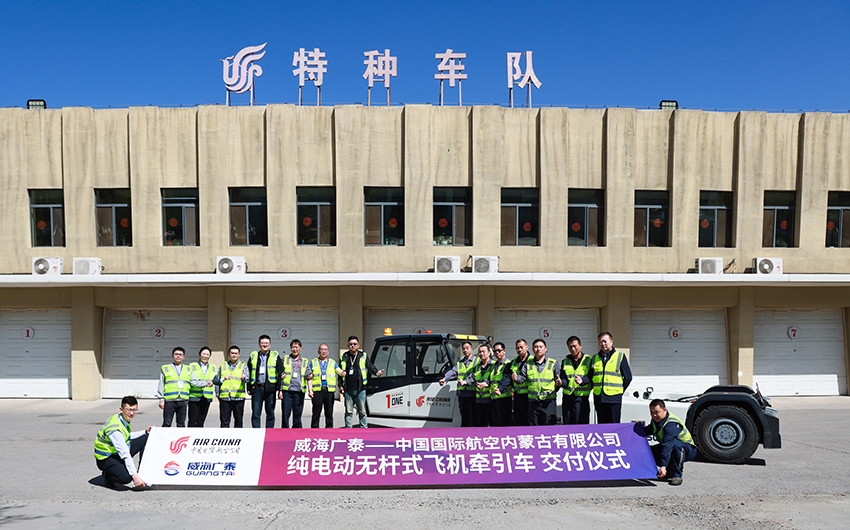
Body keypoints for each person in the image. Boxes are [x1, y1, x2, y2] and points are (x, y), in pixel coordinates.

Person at [94, 396, 153, 489]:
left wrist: (145, 432)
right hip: (105, 457)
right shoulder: (115, 428)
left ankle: (142, 473)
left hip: (116, 452)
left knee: (146, 438)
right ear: (121, 409)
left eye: (134, 410)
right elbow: (124, 453)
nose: (132, 413)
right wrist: (134, 476)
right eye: (129, 410)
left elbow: (126, 436)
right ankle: (108, 476)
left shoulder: (122, 419)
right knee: (126, 478)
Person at [645, 399, 698, 485]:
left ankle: (677, 475)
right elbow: (649, 430)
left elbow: (667, 444)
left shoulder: (671, 424)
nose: (654, 415)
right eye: (652, 412)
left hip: (688, 449)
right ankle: (668, 472)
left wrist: (663, 466)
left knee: (674, 445)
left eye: (657, 412)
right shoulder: (656, 421)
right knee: (648, 451)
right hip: (671, 446)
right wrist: (636, 428)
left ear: (664, 410)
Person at [587, 331, 632, 423]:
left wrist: (620, 390)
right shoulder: (594, 358)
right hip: (599, 398)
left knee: (614, 424)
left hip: (614, 399)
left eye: (605, 341)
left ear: (611, 342)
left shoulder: (620, 356)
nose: (603, 344)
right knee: (602, 424)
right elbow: (591, 377)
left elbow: (628, 377)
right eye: (600, 342)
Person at [338, 335, 383, 428]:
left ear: (358, 345)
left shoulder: (363, 356)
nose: (353, 346)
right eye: (351, 344)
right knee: (348, 412)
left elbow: (370, 366)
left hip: (360, 388)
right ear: (348, 345)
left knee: (362, 411)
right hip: (348, 389)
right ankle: (348, 429)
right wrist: (340, 385)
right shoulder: (344, 356)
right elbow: (339, 372)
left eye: (355, 344)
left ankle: (363, 429)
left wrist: (376, 372)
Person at [516, 338, 561, 425]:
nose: (538, 349)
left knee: (549, 427)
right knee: (534, 427)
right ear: (533, 349)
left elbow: (558, 380)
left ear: (546, 349)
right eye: (536, 347)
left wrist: (559, 384)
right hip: (533, 402)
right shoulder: (528, 364)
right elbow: (522, 379)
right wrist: (516, 378)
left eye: (541, 347)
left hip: (548, 401)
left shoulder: (553, 363)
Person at [247, 334, 284, 428]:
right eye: (262, 343)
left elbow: (280, 372)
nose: (264, 345)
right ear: (259, 344)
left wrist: (280, 389)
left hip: (270, 389)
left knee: (270, 413)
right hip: (257, 388)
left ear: (270, 344)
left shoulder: (275, 355)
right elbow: (248, 371)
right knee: (256, 413)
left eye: (266, 343)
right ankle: (256, 432)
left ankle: (269, 432)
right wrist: (249, 387)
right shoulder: (253, 355)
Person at [439, 340, 478, 427]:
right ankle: (464, 433)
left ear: (471, 349)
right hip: (462, 394)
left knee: (474, 417)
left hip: (473, 393)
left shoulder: (477, 361)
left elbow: (476, 375)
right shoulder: (460, 362)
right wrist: (445, 378)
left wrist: (466, 382)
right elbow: (453, 371)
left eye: (467, 348)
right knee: (464, 417)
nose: (465, 350)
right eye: (463, 349)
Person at [561, 336, 593, 425]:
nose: (573, 349)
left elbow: (592, 377)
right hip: (567, 398)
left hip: (581, 398)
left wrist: (583, 380)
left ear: (580, 346)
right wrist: (561, 383)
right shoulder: (565, 361)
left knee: (581, 425)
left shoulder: (589, 360)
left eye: (575, 346)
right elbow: (564, 379)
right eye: (570, 347)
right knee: (567, 425)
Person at [157, 346, 191, 427]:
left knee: (181, 424)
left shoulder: (188, 369)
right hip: (170, 401)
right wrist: (161, 399)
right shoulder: (166, 368)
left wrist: (206, 383)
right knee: (167, 423)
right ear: (172, 356)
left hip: (183, 400)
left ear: (183, 356)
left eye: (180, 354)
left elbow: (194, 382)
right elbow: (161, 383)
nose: (178, 356)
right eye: (176, 354)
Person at [215, 345, 248, 428]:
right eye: (232, 353)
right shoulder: (223, 365)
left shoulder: (243, 365)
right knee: (224, 422)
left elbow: (248, 379)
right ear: (229, 354)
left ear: (239, 355)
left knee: (238, 421)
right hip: (225, 398)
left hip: (238, 398)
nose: (234, 355)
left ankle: (238, 436)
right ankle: (224, 436)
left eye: (236, 353)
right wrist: (218, 394)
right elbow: (218, 381)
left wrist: (244, 378)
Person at [306, 343, 337, 428]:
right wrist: (310, 390)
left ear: (328, 351)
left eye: (325, 350)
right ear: (318, 351)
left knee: (329, 412)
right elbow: (309, 377)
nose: (324, 351)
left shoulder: (332, 362)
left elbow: (340, 371)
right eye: (322, 349)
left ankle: (329, 429)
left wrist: (345, 372)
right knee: (316, 412)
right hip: (317, 391)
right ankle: (314, 429)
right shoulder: (313, 362)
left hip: (329, 391)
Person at [280, 338, 307, 428]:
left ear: (300, 348)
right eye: (293, 347)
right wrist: (280, 390)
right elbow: (279, 374)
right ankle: (285, 432)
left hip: (299, 391)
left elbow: (308, 373)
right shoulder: (284, 359)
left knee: (297, 415)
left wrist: (310, 376)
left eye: (296, 347)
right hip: (287, 391)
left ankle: (297, 433)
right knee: (285, 414)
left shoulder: (304, 361)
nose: (294, 349)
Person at [188, 346, 216, 427]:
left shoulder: (213, 367)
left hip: (206, 397)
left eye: (207, 354)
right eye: (203, 354)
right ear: (199, 354)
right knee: (192, 420)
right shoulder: (192, 366)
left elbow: (215, 379)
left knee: (201, 421)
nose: (205, 356)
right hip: (194, 396)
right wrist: (205, 383)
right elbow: (191, 381)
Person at [469, 344, 495, 427]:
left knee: (492, 424)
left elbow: (495, 379)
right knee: (481, 424)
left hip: (491, 400)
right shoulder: (477, 367)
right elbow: (472, 378)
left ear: (489, 353)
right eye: (479, 352)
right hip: (479, 400)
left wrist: (487, 383)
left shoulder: (494, 365)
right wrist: (465, 382)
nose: (481, 354)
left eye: (483, 352)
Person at [490, 342, 513, 426]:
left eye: (499, 350)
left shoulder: (508, 364)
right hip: (494, 398)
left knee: (503, 424)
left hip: (504, 398)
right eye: (495, 351)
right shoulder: (494, 365)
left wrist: (500, 389)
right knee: (495, 423)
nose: (497, 353)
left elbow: (507, 379)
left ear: (504, 351)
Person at [509, 339, 531, 426]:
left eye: (521, 347)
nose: (519, 350)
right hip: (517, 395)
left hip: (529, 395)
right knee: (518, 420)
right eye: (517, 348)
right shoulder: (514, 361)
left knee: (528, 420)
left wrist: (517, 379)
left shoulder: (532, 361)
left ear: (527, 347)